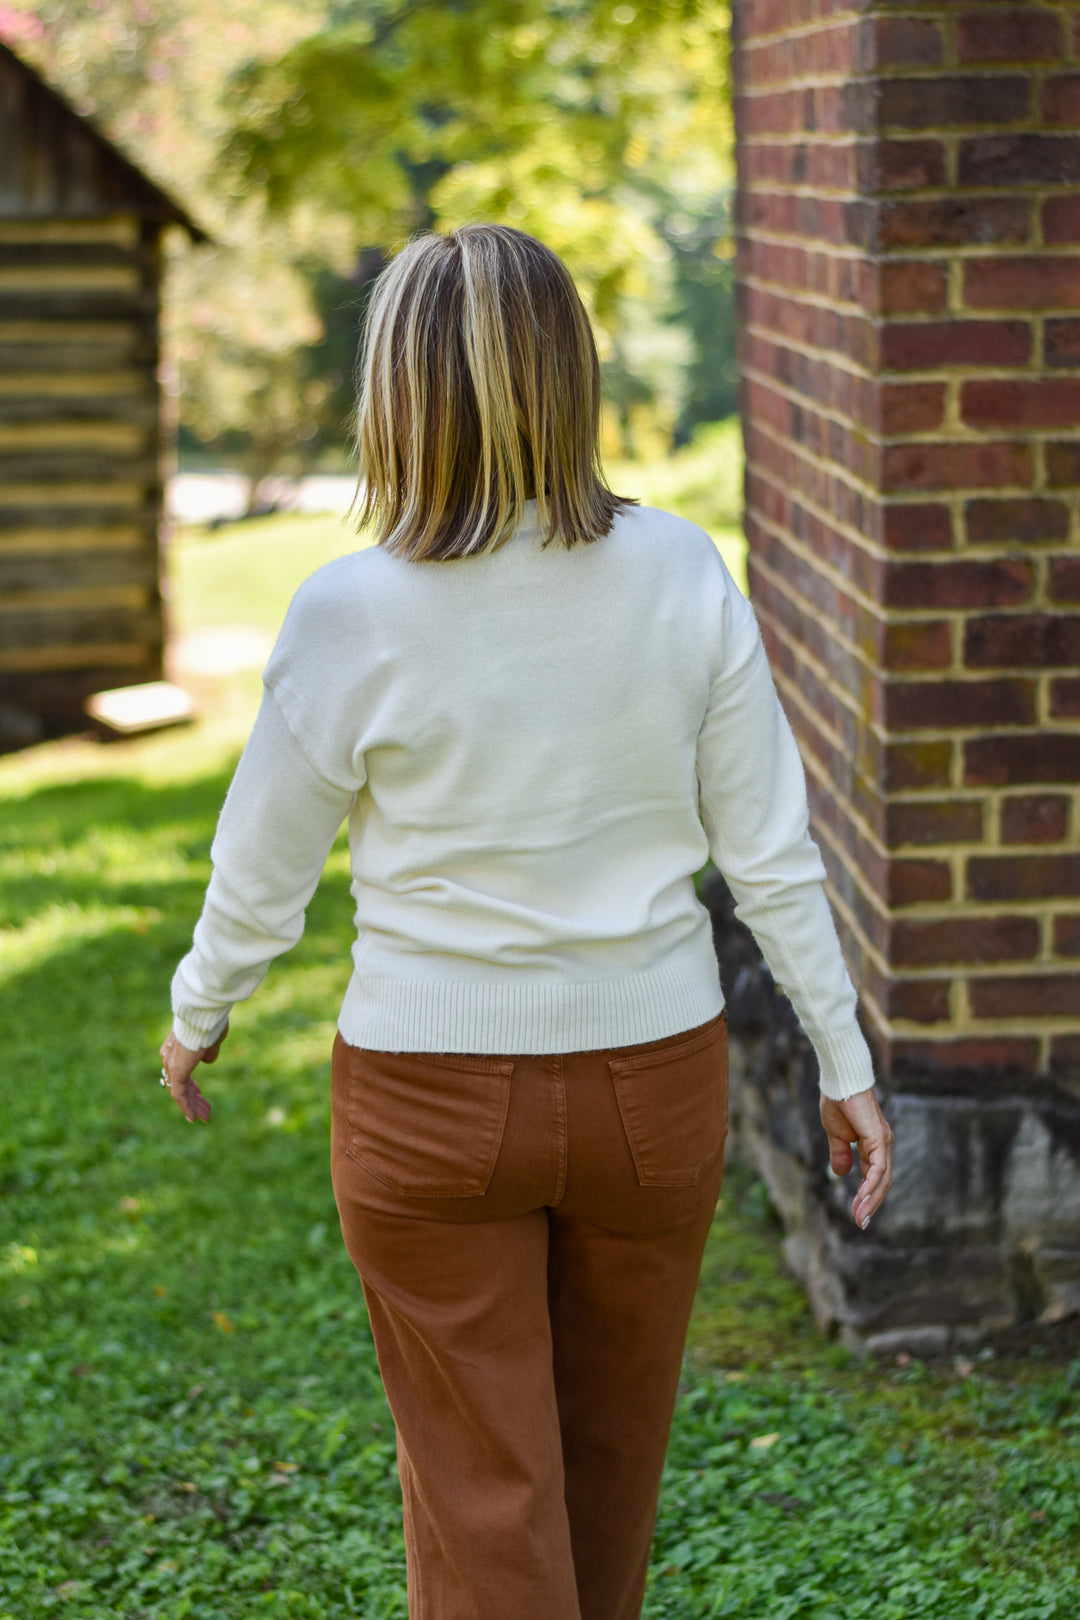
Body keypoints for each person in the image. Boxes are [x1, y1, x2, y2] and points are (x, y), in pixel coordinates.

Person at [161, 224, 893, 1620]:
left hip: (425, 1103)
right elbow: (772, 853)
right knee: (611, 1469)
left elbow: (262, 868)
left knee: (483, 1497)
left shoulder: (348, 611)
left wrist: (202, 1011)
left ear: (397, 391)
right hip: (653, 1089)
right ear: (572, 377)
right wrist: (843, 1063)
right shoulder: (682, 573)